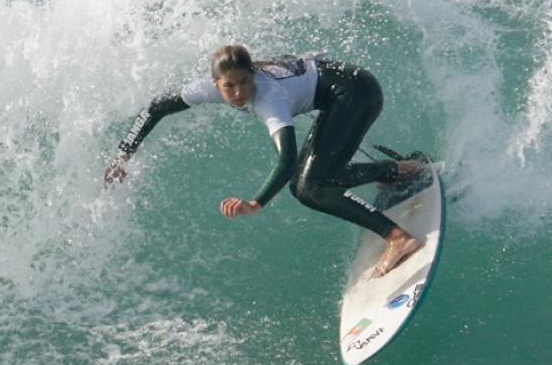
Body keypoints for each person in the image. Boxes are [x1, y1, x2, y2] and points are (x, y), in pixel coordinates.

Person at [104, 45, 424, 277]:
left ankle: (398, 238)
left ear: (253, 74)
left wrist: (256, 203)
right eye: (229, 86)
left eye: (245, 82)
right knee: (315, 179)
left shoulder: (269, 98)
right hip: (340, 92)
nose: (240, 92)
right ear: (215, 84)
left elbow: (285, 161)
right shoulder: (205, 89)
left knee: (308, 187)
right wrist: (122, 158)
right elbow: (154, 108)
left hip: (355, 93)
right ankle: (396, 171)